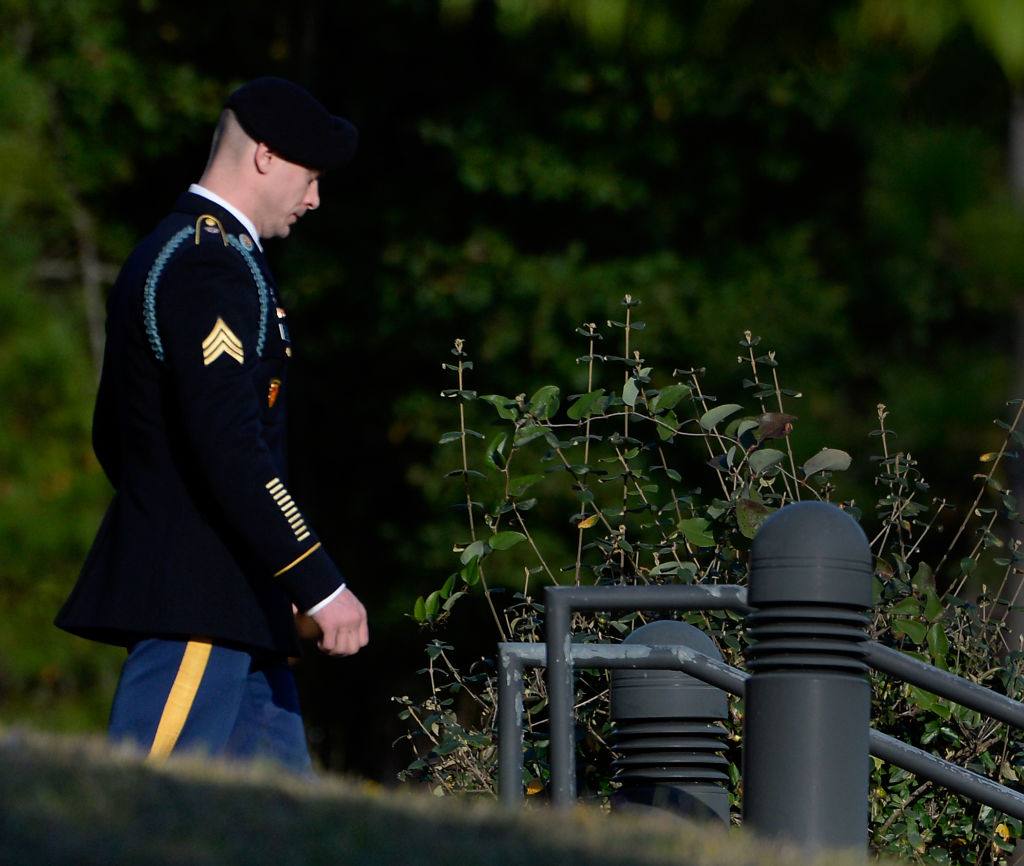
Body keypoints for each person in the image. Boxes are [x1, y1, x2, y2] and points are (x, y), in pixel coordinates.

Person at [55, 77, 368, 773]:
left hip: (235, 611)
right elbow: (228, 443)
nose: (314, 198)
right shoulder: (205, 263)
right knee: (136, 814)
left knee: (282, 834)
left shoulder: (210, 258)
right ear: (264, 155)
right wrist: (317, 582)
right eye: (309, 175)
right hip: (197, 609)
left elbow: (120, 436)